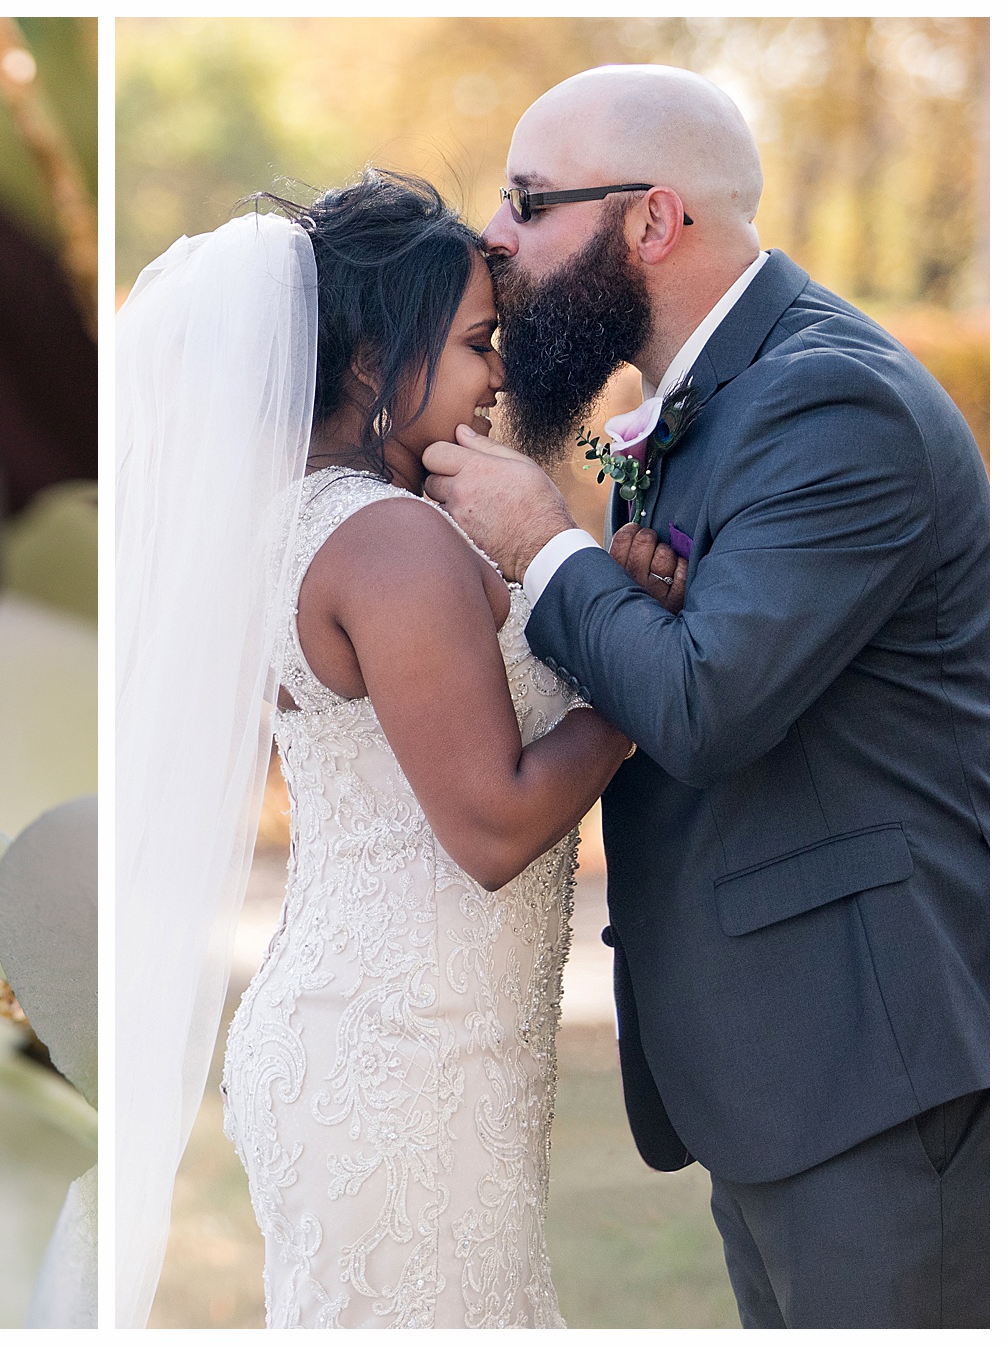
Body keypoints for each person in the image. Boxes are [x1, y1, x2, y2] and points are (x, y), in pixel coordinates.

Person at [422, 65, 988, 1328]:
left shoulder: (832, 402)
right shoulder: (711, 398)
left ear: (654, 222)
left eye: (527, 200)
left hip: (875, 1071)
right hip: (782, 1068)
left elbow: (704, 704)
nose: (496, 236)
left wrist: (546, 544)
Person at [117, 171, 666, 1329]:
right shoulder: (387, 543)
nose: (500, 372)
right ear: (372, 361)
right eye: (477, 342)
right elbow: (492, 823)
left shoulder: (308, 517)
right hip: (405, 1056)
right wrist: (635, 670)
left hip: (395, 1033)